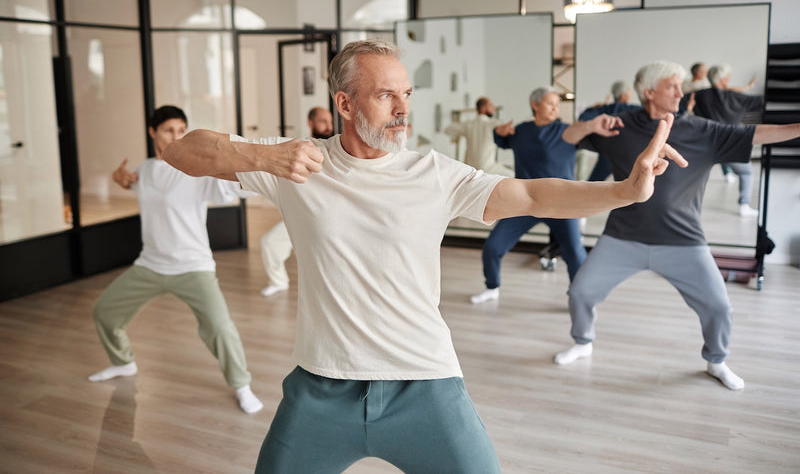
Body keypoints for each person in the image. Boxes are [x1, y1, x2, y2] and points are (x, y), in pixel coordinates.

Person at [163, 40, 685, 473]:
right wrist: (261, 155)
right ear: (344, 104)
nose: (403, 109)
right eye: (386, 95)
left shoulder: (433, 174)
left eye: (406, 94)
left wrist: (623, 191)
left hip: (425, 383)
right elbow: (182, 151)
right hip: (321, 385)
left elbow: (528, 195)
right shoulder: (295, 162)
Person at [554, 60, 800, 391]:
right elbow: (568, 137)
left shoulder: (703, 130)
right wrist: (589, 125)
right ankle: (583, 342)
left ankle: (716, 361)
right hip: (623, 237)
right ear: (649, 92)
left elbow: (756, 134)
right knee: (581, 291)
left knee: (718, 306)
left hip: (683, 241)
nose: (680, 92)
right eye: (673, 85)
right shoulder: (619, 126)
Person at [88, 105, 264, 415]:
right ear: (152, 132)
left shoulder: (196, 171)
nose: (176, 136)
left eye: (182, 130)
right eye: (169, 129)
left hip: (193, 267)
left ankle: (241, 385)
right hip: (151, 265)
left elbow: (233, 186)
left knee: (221, 328)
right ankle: (123, 363)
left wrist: (264, 168)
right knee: (105, 312)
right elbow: (132, 182)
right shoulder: (144, 170)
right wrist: (121, 179)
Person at [470, 86, 624, 304]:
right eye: (550, 103)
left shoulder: (566, 131)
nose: (555, 108)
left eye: (557, 105)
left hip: (562, 204)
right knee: (493, 247)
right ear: (535, 105)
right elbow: (500, 139)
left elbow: (585, 132)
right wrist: (499, 132)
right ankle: (492, 287)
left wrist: (593, 123)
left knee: (574, 254)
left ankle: (580, 297)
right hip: (524, 203)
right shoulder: (521, 131)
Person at [260, 106, 334, 297]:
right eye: (322, 121)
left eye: (330, 122)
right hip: (302, 213)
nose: (328, 126)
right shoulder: (297, 147)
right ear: (310, 123)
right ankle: (278, 281)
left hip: (330, 215)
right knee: (269, 243)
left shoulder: (338, 148)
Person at [687, 64, 764, 217]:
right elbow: (761, 102)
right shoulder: (734, 97)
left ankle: (688, 205)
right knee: (747, 173)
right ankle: (744, 204)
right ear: (723, 79)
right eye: (727, 76)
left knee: (694, 176)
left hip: (704, 142)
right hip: (730, 143)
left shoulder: (698, 95)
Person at [578, 80, 643, 182]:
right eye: (629, 92)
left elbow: (583, 119)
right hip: (627, 154)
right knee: (632, 184)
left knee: (593, 182)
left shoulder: (603, 109)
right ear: (623, 95)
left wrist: (592, 108)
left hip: (606, 154)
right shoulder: (634, 110)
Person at [444, 96, 514, 176]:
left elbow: (447, 130)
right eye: (491, 106)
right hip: (488, 169)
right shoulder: (493, 123)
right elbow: (500, 129)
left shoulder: (468, 124)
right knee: (514, 175)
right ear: (483, 108)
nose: (494, 109)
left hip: (470, 170)